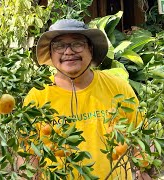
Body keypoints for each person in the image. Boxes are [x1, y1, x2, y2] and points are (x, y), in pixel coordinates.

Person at [21, 19, 150, 179]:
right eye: (59, 46)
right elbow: (29, 154)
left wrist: (142, 170)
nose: (68, 52)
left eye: (77, 44)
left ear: (90, 49)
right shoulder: (38, 96)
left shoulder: (117, 87)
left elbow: (140, 136)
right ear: (51, 53)